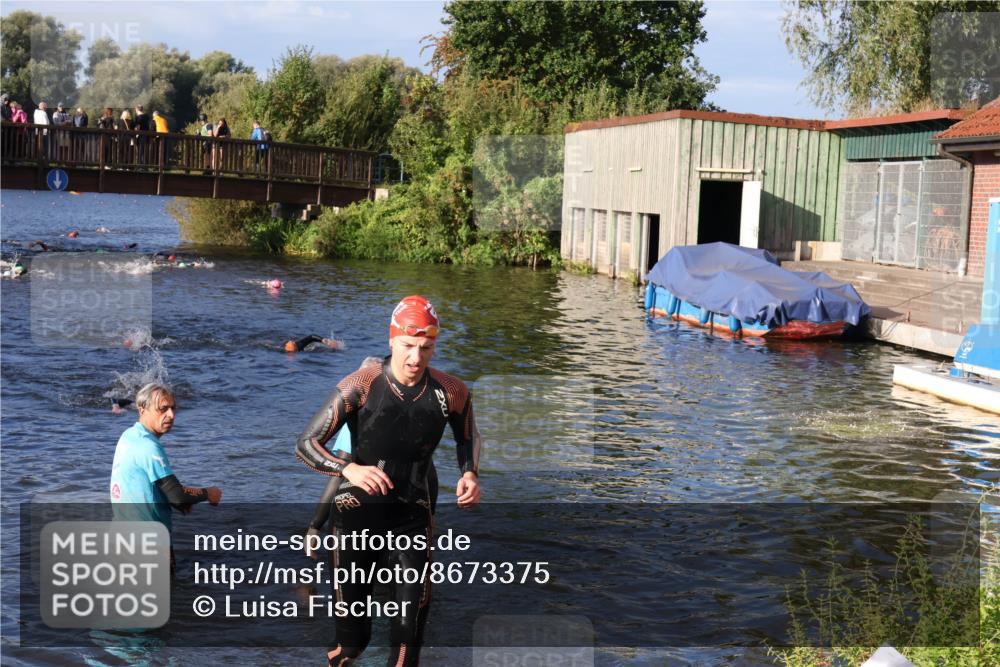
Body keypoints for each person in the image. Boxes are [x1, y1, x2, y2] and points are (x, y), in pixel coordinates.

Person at [295, 295, 481, 667]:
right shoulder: (361, 384)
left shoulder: (451, 391)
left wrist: (470, 473)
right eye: (408, 346)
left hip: (413, 519)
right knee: (352, 646)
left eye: (426, 348)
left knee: (407, 642)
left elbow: (468, 437)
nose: (416, 358)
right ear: (392, 340)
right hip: (354, 522)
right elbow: (306, 444)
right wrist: (349, 469)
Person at [303, 357, 440, 560]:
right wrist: (430, 513)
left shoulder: (358, 425)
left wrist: (315, 526)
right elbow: (426, 471)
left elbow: (336, 477)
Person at [109, 383, 222, 538]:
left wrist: (173, 500)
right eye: (163, 409)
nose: (171, 415)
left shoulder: (129, 436)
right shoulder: (149, 447)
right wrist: (208, 493)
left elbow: (143, 487)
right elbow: (178, 496)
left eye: (173, 408)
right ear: (142, 409)